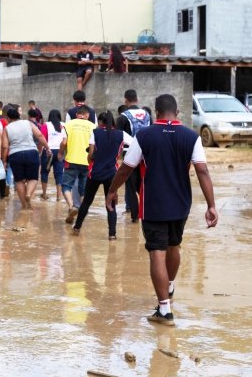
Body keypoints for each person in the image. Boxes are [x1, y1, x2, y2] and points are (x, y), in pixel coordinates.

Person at [106, 94, 218, 326]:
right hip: (181, 204)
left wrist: (112, 190)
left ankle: (164, 311)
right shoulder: (192, 137)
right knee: (174, 246)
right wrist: (211, 205)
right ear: (177, 113)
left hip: (153, 204)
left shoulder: (144, 136)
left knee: (157, 252)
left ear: (156, 112)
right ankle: (168, 286)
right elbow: (202, 171)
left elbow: (126, 169)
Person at [73, 111, 132, 240]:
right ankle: (112, 234)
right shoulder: (121, 134)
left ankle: (77, 228)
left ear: (100, 122)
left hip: (95, 173)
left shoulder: (95, 133)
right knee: (110, 204)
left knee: (87, 202)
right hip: (112, 174)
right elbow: (134, 145)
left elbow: (90, 154)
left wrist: (90, 164)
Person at [1, 108, 51, 209]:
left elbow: (5, 147)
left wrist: (4, 161)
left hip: (15, 155)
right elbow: (39, 135)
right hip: (31, 153)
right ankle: (28, 194)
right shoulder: (28, 123)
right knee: (33, 178)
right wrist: (47, 147)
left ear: (8, 118)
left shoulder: (7, 128)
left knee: (19, 181)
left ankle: (24, 206)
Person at [116, 89, 151, 223]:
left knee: (130, 186)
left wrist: (117, 157)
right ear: (137, 99)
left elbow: (118, 137)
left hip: (129, 155)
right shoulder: (147, 114)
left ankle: (135, 217)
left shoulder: (123, 116)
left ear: (126, 100)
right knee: (142, 184)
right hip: (146, 156)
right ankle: (149, 210)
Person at [59, 105, 94, 224]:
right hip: (87, 162)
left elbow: (63, 142)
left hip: (71, 160)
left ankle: (71, 206)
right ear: (87, 115)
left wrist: (60, 153)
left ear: (77, 115)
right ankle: (82, 212)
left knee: (66, 186)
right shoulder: (93, 126)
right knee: (83, 189)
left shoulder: (68, 124)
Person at [39, 109, 66, 201]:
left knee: (44, 172)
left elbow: (42, 139)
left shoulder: (46, 125)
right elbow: (65, 140)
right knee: (59, 174)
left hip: (48, 152)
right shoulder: (64, 125)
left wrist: (40, 151)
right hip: (60, 152)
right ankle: (59, 196)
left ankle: (44, 194)